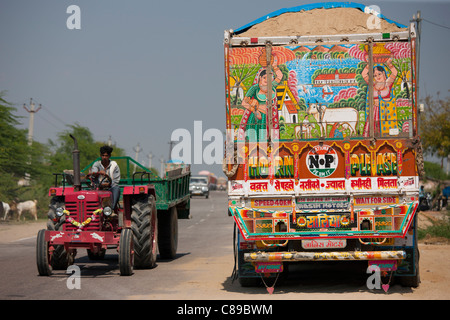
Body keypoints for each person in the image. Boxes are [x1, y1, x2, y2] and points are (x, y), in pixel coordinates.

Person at [90, 145, 121, 210]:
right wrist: (98, 173)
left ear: (109, 156)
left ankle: (111, 209)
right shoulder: (96, 164)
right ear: (100, 156)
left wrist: (108, 184)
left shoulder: (114, 165)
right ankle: (91, 209)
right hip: (98, 187)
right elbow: (93, 174)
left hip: (110, 187)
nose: (104, 157)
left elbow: (116, 181)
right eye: (103, 155)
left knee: (116, 188)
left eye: (106, 156)